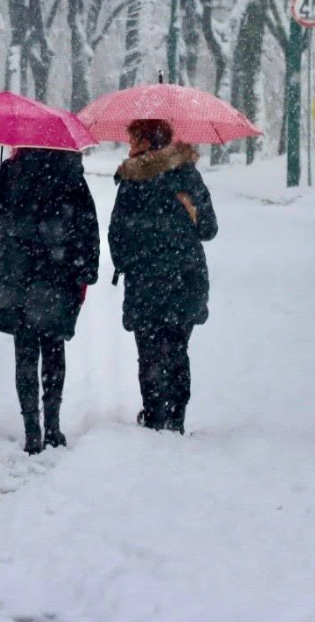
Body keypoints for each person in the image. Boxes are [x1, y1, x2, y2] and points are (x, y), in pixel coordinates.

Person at [0, 148, 99, 454]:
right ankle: (53, 427)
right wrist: (87, 269)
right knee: (53, 349)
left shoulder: (12, 169)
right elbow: (88, 225)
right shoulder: (70, 174)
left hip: (18, 274)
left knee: (25, 352)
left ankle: (32, 430)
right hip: (58, 274)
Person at [108, 119, 217, 435]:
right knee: (177, 348)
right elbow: (208, 229)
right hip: (186, 276)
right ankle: (176, 417)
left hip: (145, 281)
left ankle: (155, 415)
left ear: (143, 141)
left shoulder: (132, 180)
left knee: (151, 351)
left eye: (132, 139)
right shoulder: (188, 176)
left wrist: (130, 262)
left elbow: (118, 235)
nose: (128, 145)